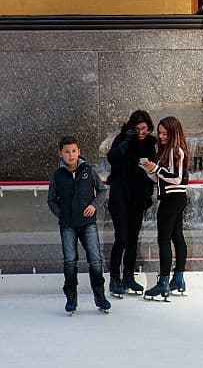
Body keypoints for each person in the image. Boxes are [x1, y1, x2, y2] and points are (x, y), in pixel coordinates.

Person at [47, 136, 110, 315]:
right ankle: (71, 298)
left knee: (95, 260)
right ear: (61, 154)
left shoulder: (88, 171)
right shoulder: (57, 175)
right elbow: (51, 200)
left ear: (79, 152)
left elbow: (102, 191)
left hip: (88, 223)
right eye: (67, 151)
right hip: (67, 226)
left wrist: (93, 205)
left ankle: (100, 296)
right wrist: (62, 213)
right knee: (70, 261)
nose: (71, 154)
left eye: (74, 151)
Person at [105, 110, 157, 298]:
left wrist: (147, 195)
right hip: (120, 194)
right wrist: (127, 140)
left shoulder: (151, 143)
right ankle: (114, 280)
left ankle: (128, 277)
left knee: (133, 239)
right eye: (136, 129)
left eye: (143, 128)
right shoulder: (122, 139)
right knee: (122, 237)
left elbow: (153, 169)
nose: (141, 132)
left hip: (139, 196)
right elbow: (113, 158)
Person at [141, 116, 191, 301]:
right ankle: (178, 279)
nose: (161, 136)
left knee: (164, 239)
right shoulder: (168, 151)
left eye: (164, 133)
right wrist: (150, 169)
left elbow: (176, 178)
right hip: (175, 197)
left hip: (172, 198)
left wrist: (156, 169)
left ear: (173, 133)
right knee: (176, 236)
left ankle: (164, 282)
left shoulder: (175, 150)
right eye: (160, 133)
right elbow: (162, 178)